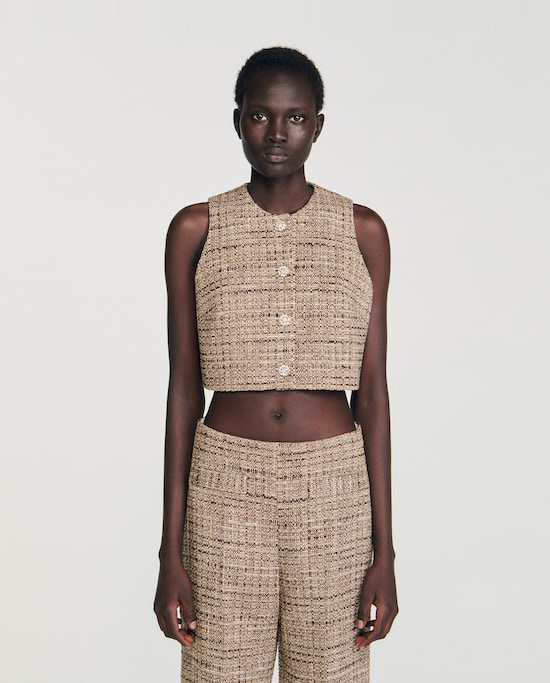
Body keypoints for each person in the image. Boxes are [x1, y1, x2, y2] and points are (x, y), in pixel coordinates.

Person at [154, 47, 398, 682]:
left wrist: (386, 554)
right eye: (261, 115)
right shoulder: (196, 228)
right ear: (237, 121)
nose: (277, 133)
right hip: (223, 489)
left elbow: (373, 395)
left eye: (296, 117)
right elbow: (183, 392)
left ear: (318, 126)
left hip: (335, 494)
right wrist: (169, 553)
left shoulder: (362, 230)